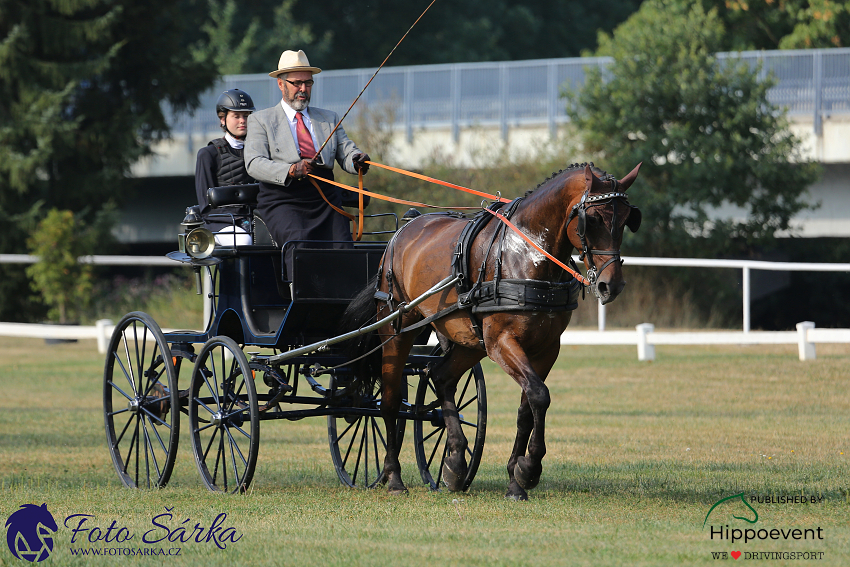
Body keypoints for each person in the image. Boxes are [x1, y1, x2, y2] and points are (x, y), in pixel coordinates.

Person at [244, 49, 370, 276]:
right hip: (284, 200)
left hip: (325, 199)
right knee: (300, 247)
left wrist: (357, 160)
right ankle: (304, 303)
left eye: (308, 83)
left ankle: (346, 307)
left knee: (344, 251)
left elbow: (346, 150)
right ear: (281, 85)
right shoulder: (260, 120)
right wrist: (291, 170)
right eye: (297, 83)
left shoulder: (328, 118)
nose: (303, 89)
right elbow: (254, 163)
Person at [194, 88, 256, 233]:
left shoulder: (261, 151)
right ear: (223, 119)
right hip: (223, 222)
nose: (242, 121)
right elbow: (206, 206)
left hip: (257, 219)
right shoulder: (208, 154)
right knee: (244, 241)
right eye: (236, 116)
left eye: (246, 115)